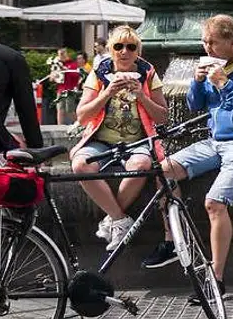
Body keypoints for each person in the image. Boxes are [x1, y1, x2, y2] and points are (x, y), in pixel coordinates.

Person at [142, 15, 233, 301]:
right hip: (216, 142)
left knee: (214, 203)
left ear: (232, 42)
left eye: (213, 42)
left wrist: (225, 83)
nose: (207, 47)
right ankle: (173, 242)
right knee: (164, 170)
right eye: (204, 41)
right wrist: (198, 82)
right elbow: (194, 105)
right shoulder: (213, 63)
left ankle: (216, 280)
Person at [70, 26, 168, 250]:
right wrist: (107, 93)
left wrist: (142, 95)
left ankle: (111, 220)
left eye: (131, 47)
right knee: (80, 166)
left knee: (142, 165)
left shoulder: (148, 73)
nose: (124, 51)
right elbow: (82, 115)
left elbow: (163, 117)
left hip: (137, 142)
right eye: (118, 46)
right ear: (111, 50)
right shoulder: (99, 73)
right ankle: (120, 219)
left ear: (138, 51)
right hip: (100, 141)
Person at [48, 47, 83, 125]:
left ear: (65, 54)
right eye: (59, 55)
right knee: (60, 109)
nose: (60, 56)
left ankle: (79, 124)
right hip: (60, 89)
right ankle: (59, 126)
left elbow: (76, 76)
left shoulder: (72, 64)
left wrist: (66, 70)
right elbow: (51, 79)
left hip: (70, 90)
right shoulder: (57, 65)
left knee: (69, 110)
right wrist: (53, 75)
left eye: (61, 54)